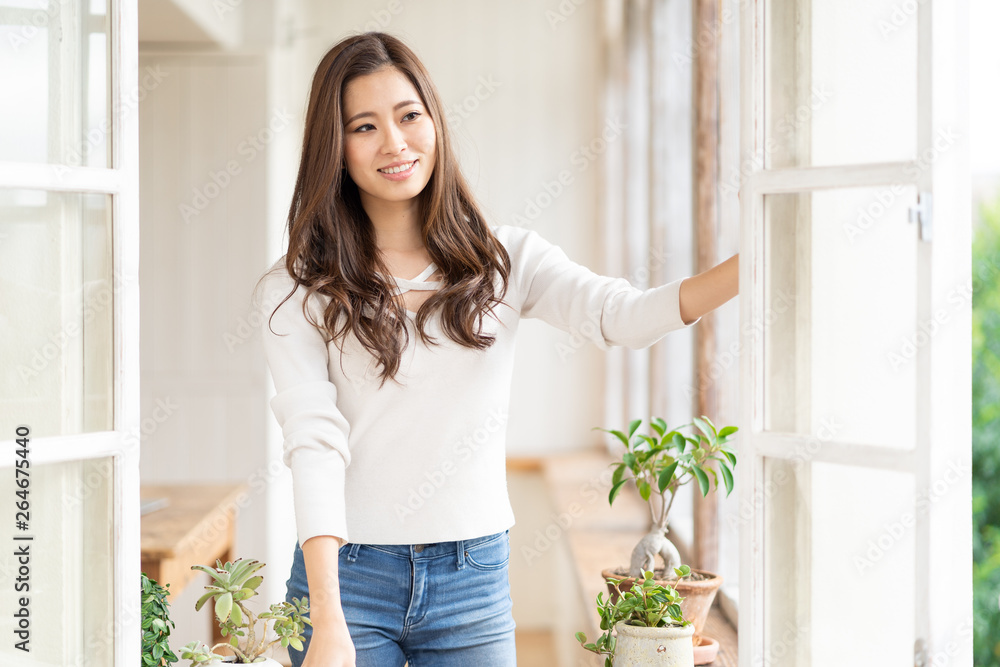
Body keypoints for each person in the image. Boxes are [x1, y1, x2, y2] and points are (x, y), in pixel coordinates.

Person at [253, 31, 738, 667]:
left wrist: (752, 262)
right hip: (345, 581)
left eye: (408, 116)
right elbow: (312, 446)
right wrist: (328, 619)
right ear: (334, 148)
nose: (395, 144)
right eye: (364, 127)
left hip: (471, 579)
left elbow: (622, 317)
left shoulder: (505, 263)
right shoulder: (294, 288)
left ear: (435, 121)